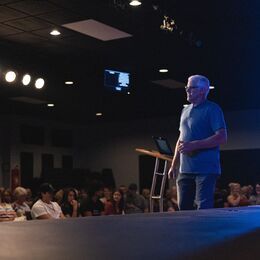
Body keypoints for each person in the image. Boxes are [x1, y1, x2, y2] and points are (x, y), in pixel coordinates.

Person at [168, 75, 227, 210]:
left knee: (203, 209)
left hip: (206, 169)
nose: (187, 90)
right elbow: (181, 138)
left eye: (191, 88)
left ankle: (205, 231)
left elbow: (222, 137)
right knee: (183, 208)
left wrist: (194, 145)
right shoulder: (185, 110)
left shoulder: (213, 109)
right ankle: (186, 232)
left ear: (203, 90)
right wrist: (174, 164)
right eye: (186, 87)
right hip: (185, 169)